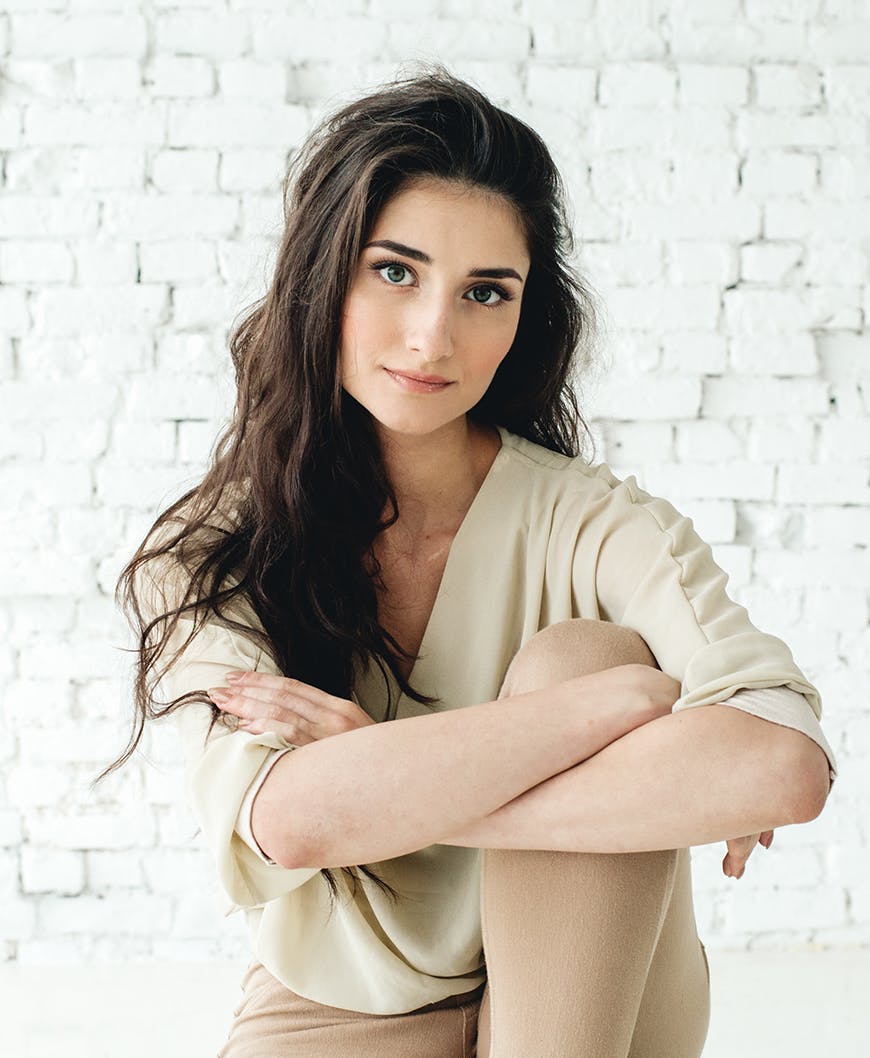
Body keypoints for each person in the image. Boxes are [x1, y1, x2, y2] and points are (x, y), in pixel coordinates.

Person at [101, 64, 838, 1058]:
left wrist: (393, 778)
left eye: (485, 292)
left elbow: (781, 765)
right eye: (395, 270)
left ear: (523, 317)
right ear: (326, 274)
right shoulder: (210, 556)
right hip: (347, 997)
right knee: (601, 677)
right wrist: (613, 714)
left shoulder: (595, 523)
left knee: (585, 647)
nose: (432, 334)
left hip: (602, 984)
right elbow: (290, 822)